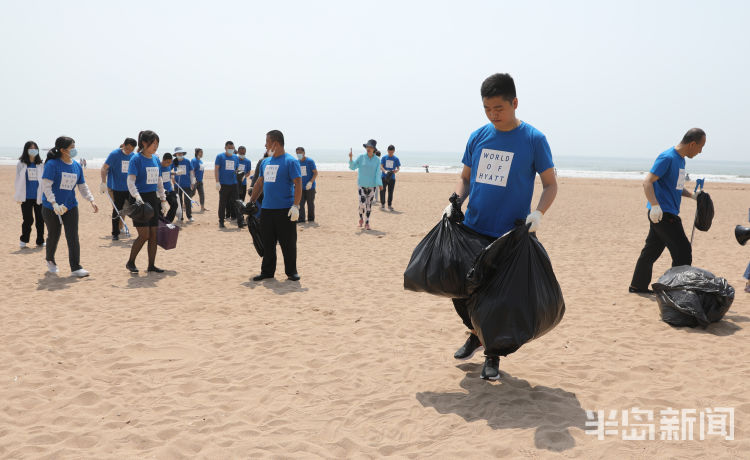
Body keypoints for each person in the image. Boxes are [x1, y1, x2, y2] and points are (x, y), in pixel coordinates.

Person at [446, 73, 558, 380]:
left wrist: (539, 214)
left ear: (514, 103)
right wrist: (455, 200)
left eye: (499, 108)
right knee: (461, 291)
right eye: (487, 109)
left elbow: (550, 185)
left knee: (498, 299)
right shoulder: (478, 137)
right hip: (473, 228)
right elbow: (466, 177)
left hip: (508, 234)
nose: (493, 114)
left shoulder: (534, 140)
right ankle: (475, 332)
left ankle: (492, 355)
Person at [629, 128, 706, 294]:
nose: (701, 151)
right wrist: (654, 206)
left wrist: (692, 195)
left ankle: (637, 286)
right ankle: (677, 290)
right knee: (683, 251)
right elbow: (647, 182)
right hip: (663, 214)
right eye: (701, 147)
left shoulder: (681, 160)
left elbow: (677, 187)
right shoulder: (667, 157)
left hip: (667, 212)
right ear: (692, 144)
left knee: (651, 251)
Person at [41, 136, 99, 277]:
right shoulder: (52, 165)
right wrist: (54, 203)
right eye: (71, 147)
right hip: (51, 207)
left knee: (72, 236)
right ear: (62, 150)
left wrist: (91, 199)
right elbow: (46, 186)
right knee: (54, 235)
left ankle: (76, 267)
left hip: (70, 206)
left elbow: (82, 185)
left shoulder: (77, 166)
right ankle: (50, 259)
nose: (74, 150)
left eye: (74, 146)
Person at [248, 130, 302, 281]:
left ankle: (291, 272)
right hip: (266, 210)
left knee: (288, 243)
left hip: (285, 210)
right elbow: (259, 183)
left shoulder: (290, 161)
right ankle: (267, 272)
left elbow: (298, 183)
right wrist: (251, 201)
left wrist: (296, 206)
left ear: (275, 143)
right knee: (268, 242)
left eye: (267, 142)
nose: (265, 145)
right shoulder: (266, 162)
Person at [126, 130, 168, 273]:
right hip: (138, 200)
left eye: (157, 143)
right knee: (144, 235)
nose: (155, 146)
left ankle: (151, 265)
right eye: (153, 143)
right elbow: (130, 182)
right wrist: (137, 197)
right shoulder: (136, 159)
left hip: (152, 197)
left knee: (154, 234)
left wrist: (163, 199)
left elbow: (159, 180)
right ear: (144, 143)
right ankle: (130, 262)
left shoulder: (156, 159)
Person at [100, 137, 137, 240]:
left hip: (130, 188)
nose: (129, 151)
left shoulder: (133, 156)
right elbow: (104, 168)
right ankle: (115, 233)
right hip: (117, 188)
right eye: (128, 148)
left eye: (132, 149)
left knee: (133, 209)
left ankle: (138, 230)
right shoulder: (114, 154)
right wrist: (103, 183)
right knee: (117, 210)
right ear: (123, 145)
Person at [14, 141, 45, 248]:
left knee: (40, 220)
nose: (33, 150)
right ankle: (24, 239)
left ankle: (40, 241)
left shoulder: (40, 164)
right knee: (28, 219)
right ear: (26, 150)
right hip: (26, 197)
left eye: (35, 148)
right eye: (31, 148)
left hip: (39, 197)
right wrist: (18, 195)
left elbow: (44, 181)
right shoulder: (21, 164)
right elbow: (18, 180)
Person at [348, 139, 383, 230]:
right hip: (361, 185)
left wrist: (379, 183)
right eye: (367, 146)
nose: (368, 148)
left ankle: (367, 223)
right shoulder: (361, 157)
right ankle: (360, 219)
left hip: (372, 186)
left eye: (370, 147)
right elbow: (352, 167)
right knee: (362, 204)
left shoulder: (377, 160)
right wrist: (351, 158)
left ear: (374, 149)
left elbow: (378, 173)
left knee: (368, 205)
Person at [215, 141, 243, 228]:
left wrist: (238, 173)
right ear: (225, 148)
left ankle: (240, 222)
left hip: (234, 184)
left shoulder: (235, 157)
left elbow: (237, 168)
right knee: (222, 203)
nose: (231, 150)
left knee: (237, 203)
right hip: (223, 184)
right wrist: (217, 182)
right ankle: (221, 221)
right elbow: (216, 169)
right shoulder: (220, 156)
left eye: (232, 148)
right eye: (229, 148)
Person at [172, 147, 196, 222]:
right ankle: (180, 217)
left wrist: (192, 182)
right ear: (176, 154)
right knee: (179, 201)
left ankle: (189, 216)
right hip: (177, 185)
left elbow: (192, 172)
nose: (180, 155)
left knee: (187, 201)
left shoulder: (187, 161)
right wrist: (172, 177)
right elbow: (168, 170)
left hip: (187, 184)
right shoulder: (173, 161)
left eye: (181, 153)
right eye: (178, 154)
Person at [296, 147, 318, 223]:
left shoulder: (310, 161)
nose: (299, 154)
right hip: (300, 187)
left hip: (310, 187)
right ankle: (301, 219)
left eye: (300, 153)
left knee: (310, 204)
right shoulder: (297, 162)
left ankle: (311, 219)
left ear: (304, 153)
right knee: (300, 204)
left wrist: (311, 182)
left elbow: (315, 173)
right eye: (297, 153)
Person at [379, 144, 401, 210]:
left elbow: (398, 168)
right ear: (387, 151)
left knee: (390, 192)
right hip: (384, 176)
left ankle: (389, 205)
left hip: (392, 177)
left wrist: (396, 171)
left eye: (392, 152)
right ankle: (382, 204)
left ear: (394, 151)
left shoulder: (396, 159)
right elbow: (381, 166)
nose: (390, 153)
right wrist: (385, 171)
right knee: (382, 191)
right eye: (389, 152)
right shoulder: (384, 157)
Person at [160, 153, 178, 222]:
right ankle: (161, 222)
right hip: (161, 191)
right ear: (163, 160)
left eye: (170, 162)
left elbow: (169, 173)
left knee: (175, 204)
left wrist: (175, 173)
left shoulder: (169, 166)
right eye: (167, 162)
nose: (169, 164)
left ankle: (168, 221)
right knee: (161, 209)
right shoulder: (158, 167)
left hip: (170, 190)